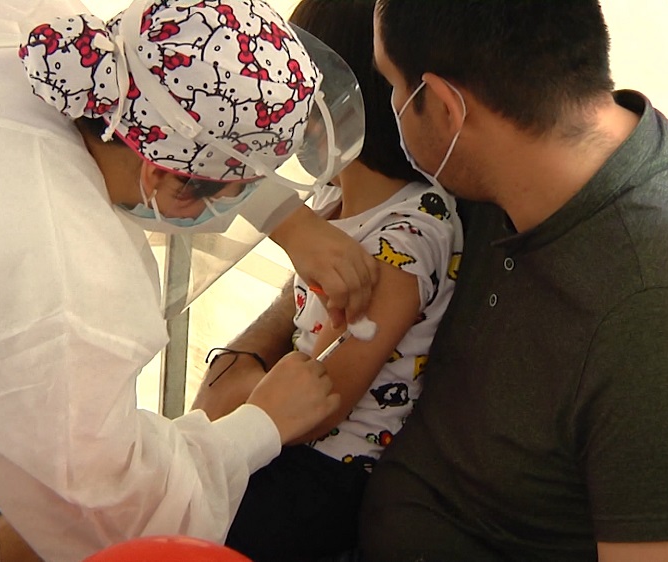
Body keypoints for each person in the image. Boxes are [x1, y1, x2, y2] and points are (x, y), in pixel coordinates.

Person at [201, 1, 668, 560]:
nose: (385, 110)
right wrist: (249, 357)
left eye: (391, 86)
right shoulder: (499, 159)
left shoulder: (666, 339)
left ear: (445, 106)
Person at [0, 0, 379, 560]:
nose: (237, 206)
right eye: (239, 192)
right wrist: (259, 425)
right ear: (161, 176)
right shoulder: (52, 288)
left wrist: (287, 219)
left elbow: (184, 110)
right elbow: (113, 512)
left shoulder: (56, 47)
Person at [192, 0, 462, 559]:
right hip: (278, 441)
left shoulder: (411, 231)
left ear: (336, 97)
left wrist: (234, 391)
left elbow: (324, 401)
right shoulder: (332, 198)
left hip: (317, 479)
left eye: (292, 89)